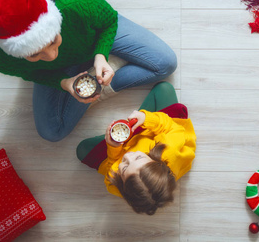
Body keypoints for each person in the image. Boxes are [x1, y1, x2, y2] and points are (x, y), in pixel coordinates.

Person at [0, 0, 177, 142]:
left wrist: (101, 55)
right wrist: (64, 82)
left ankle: (98, 80)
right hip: (60, 72)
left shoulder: (75, 4)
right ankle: (98, 83)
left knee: (166, 63)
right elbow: (33, 74)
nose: (52, 56)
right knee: (51, 132)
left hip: (93, 38)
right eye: (35, 54)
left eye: (53, 41)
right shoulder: (4, 60)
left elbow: (109, 20)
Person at [76, 82, 196, 215]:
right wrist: (145, 118)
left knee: (81, 150)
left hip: (123, 145)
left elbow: (111, 167)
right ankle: (140, 119)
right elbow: (172, 127)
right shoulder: (170, 149)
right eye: (138, 157)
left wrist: (113, 147)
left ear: (123, 186)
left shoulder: (114, 185)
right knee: (164, 88)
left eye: (125, 167)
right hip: (152, 131)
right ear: (157, 161)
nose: (127, 156)